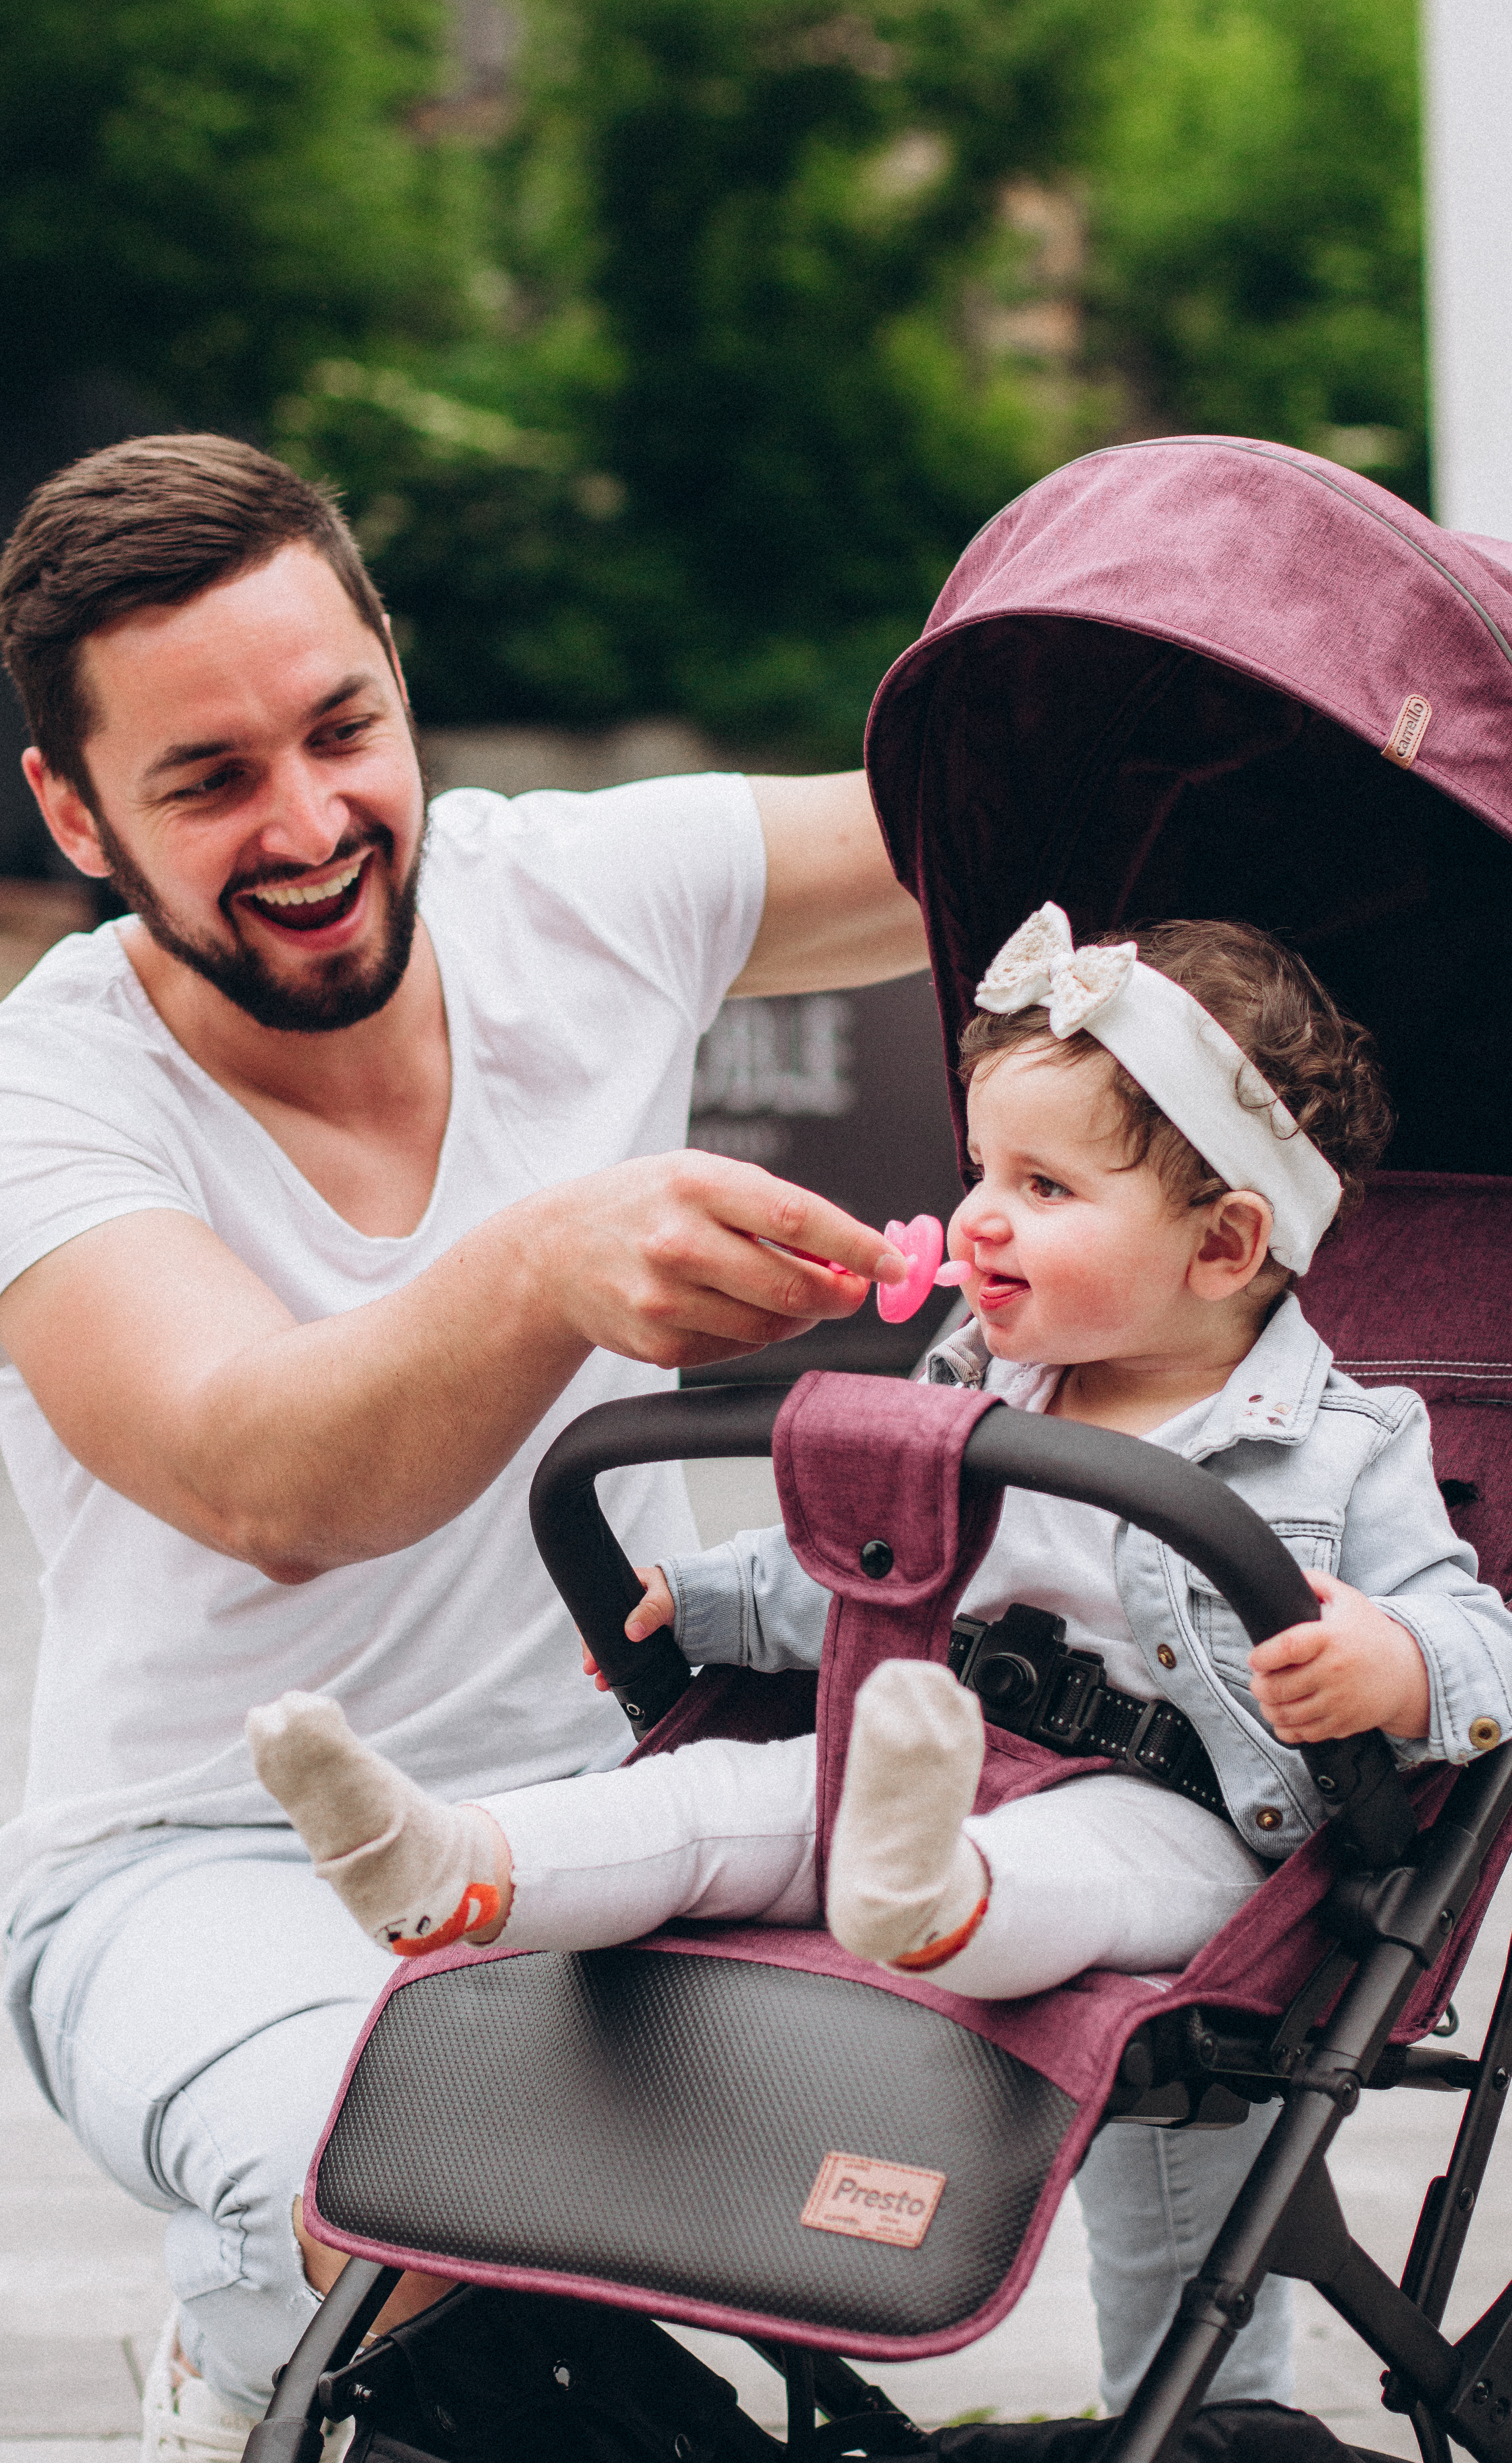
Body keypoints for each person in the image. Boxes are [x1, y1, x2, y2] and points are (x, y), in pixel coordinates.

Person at [0, 431, 930, 2460]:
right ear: (75, 814)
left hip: (630, 1803)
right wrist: (546, 1258)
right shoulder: (24, 1104)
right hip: (209, 1866)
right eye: (206, 782)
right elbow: (263, 1473)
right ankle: (256, 2349)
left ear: (389, 668)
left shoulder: (574, 897)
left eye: (339, 729)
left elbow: (982, 825)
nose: (306, 824)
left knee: (1086, 2018)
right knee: (396, 2192)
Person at [248, 908, 1512, 2415]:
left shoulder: (1351, 1448)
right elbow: (852, 1575)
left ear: (1225, 1241)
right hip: (925, 1748)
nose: (979, 1214)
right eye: (982, 1169)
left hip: (1173, 1828)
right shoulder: (975, 1384)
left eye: (1042, 1186)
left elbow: (1482, 1644)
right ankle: (453, 1860)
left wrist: (1390, 1666)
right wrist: (701, 1606)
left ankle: (931, 1904)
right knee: (723, 1799)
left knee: (1081, 1934)